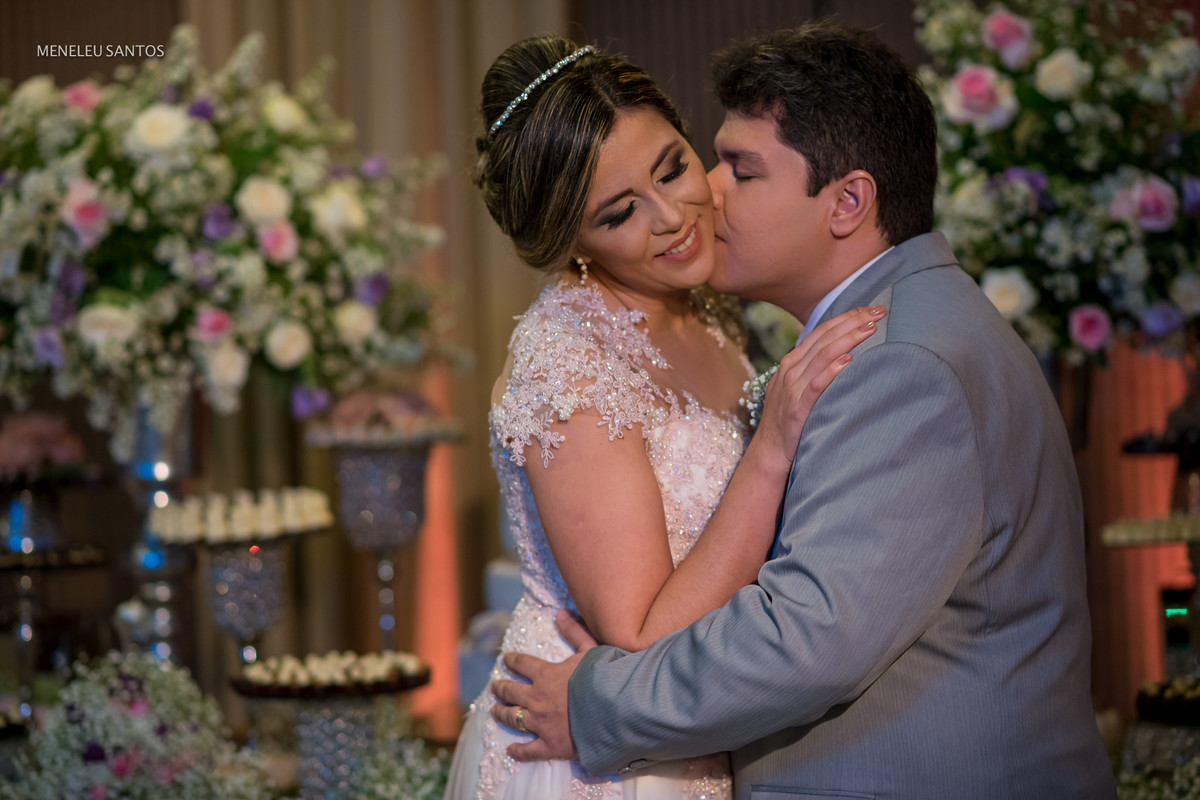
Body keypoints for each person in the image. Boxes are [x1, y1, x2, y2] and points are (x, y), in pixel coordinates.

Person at [490, 22, 1118, 799]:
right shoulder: (883, 328)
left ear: (849, 200)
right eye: (715, 159)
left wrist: (597, 702)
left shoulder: (898, 364)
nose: (705, 197)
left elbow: (807, 634)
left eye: (738, 170)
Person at [444, 35, 884, 800]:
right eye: (619, 213)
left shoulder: (703, 305)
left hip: (686, 722)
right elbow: (640, 635)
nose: (673, 218)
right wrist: (772, 445)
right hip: (597, 751)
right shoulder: (569, 359)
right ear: (571, 243)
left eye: (673, 167)